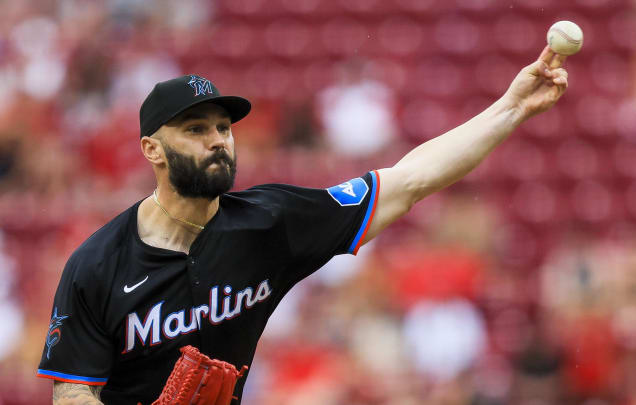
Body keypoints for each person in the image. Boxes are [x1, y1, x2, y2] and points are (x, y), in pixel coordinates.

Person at [38, 46, 569, 404]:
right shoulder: (97, 264)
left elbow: (408, 181)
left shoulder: (272, 222)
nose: (219, 139)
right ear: (152, 149)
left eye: (224, 126)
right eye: (196, 128)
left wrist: (512, 107)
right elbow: (72, 391)